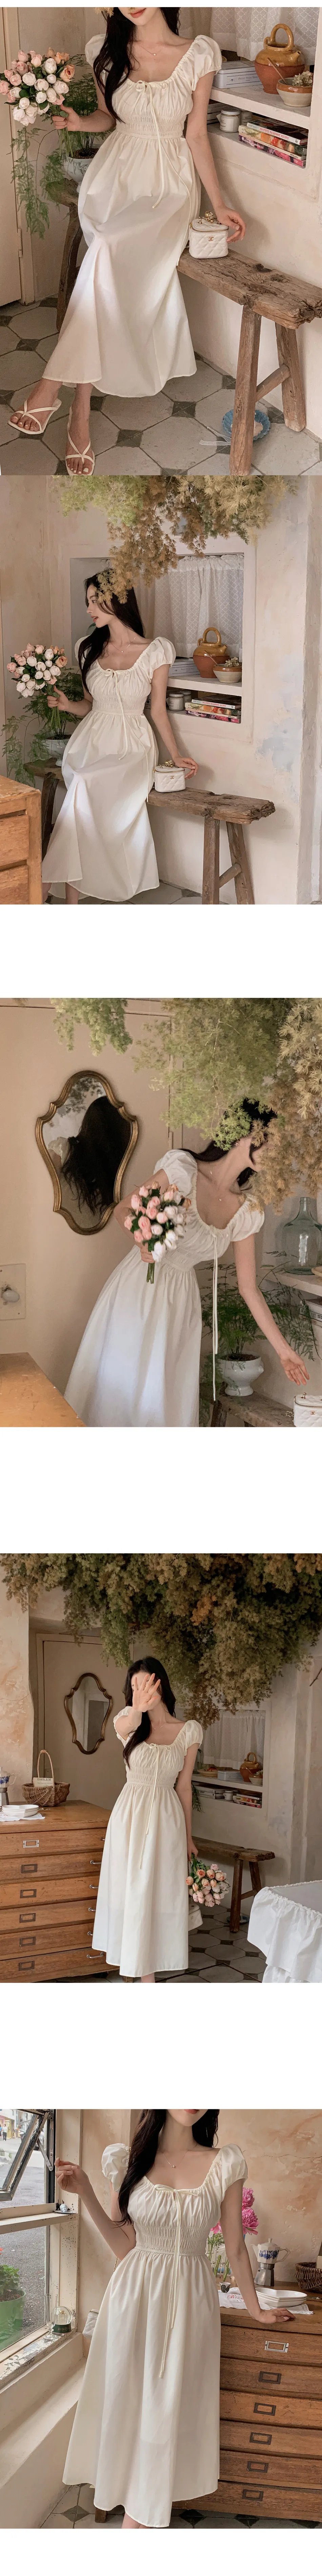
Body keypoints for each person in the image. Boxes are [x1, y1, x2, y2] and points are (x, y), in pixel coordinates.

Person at [10, 8, 245, 472]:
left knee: (105, 251)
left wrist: (218, 205)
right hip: (114, 178)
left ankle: (53, 389)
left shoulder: (199, 54)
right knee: (106, 255)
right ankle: (77, 408)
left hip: (167, 187)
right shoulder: (106, 50)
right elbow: (108, 118)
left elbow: (196, 134)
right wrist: (79, 124)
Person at [56, 2108, 293, 2528]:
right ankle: (137, 2519)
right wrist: (86, 2190)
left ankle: (138, 2520)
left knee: (166, 2413)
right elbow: (123, 2245)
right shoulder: (127, 2160)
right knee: (128, 2406)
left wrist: (255, 2308)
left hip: (189, 2303)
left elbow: (236, 2248)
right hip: (132, 2299)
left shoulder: (225, 2162)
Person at [64, 1106, 309, 1427]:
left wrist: (284, 1350)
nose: (275, 1151)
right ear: (245, 1131)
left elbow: (249, 1289)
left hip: (181, 1301)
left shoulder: (247, 1211)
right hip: (139, 1288)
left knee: (164, 1395)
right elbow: (125, 1210)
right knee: (121, 1383)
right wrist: (143, 1242)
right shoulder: (183, 1169)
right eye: (271, 1139)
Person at [42, 577, 196, 903]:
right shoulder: (88, 648)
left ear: (118, 599)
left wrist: (176, 755)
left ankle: (41, 892)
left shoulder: (157, 650)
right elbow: (90, 705)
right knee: (82, 794)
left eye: (95, 600)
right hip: (91, 743)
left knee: (81, 791)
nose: (89, 609)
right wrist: (68, 706)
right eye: (88, 601)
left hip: (132, 747)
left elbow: (158, 711)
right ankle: (68, 901)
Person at [92, 1658, 202, 1980]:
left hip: (168, 1821)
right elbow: (125, 1725)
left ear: (161, 1683)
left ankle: (146, 1973)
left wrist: (189, 1838)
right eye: (135, 1687)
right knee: (131, 1894)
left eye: (147, 1684)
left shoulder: (190, 1731)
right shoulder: (127, 1722)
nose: (141, 1691)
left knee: (160, 1894)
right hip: (129, 1819)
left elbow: (184, 1787)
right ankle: (141, 1977)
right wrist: (137, 1709)